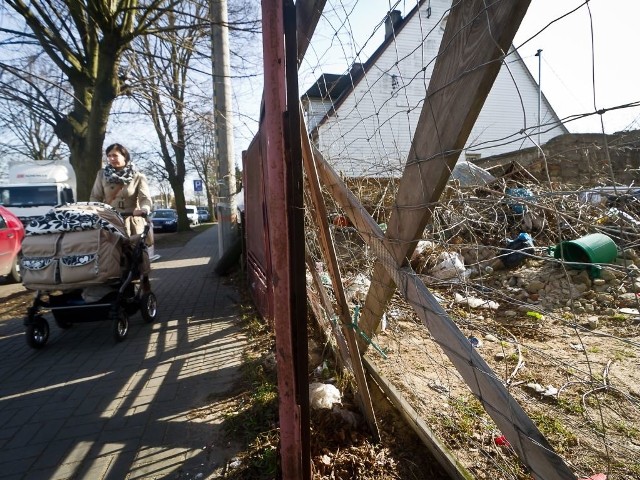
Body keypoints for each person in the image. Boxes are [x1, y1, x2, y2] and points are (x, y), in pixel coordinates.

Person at [90, 143, 153, 292]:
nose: (112, 158)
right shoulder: (102, 175)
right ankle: (114, 286)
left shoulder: (138, 176)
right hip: (110, 221)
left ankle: (145, 285)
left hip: (131, 220)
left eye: (115, 155)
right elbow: (95, 196)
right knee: (110, 252)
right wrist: (94, 210)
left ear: (124, 156)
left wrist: (144, 209)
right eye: (109, 155)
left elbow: (145, 198)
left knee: (137, 253)